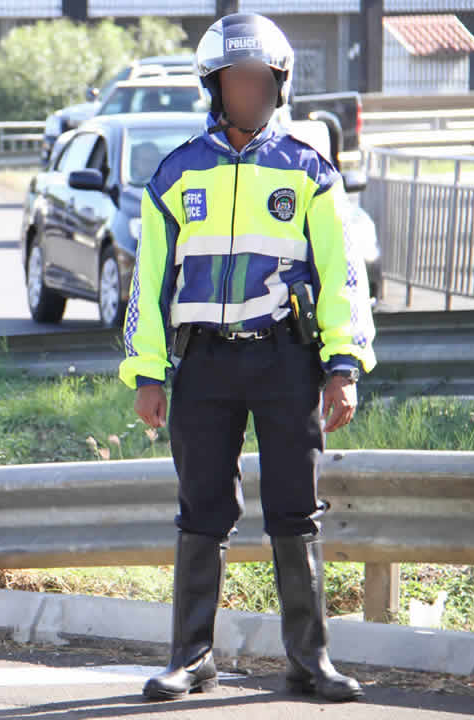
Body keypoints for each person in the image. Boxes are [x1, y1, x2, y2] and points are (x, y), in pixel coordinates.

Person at [120, 12, 376, 704]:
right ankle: (191, 659)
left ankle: (309, 662)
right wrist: (147, 373)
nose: (250, 90)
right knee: (201, 509)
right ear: (214, 86)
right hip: (203, 363)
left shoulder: (310, 170)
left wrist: (343, 366)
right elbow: (148, 285)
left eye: (261, 80)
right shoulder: (175, 173)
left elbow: (344, 276)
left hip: (286, 359)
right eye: (237, 80)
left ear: (279, 85)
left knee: (295, 510)